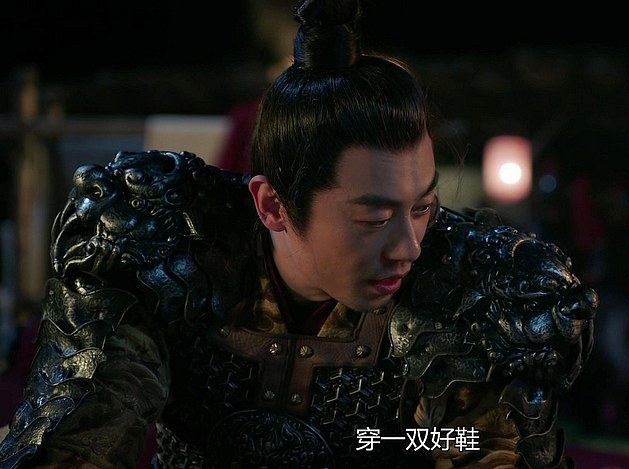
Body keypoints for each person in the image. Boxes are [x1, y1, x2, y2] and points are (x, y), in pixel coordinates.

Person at [0, 0, 598, 467]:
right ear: (272, 206)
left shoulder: (467, 289)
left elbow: (484, 450)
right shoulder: (168, 253)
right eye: (373, 219)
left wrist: (392, 441)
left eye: (422, 208)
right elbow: (84, 438)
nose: (409, 247)